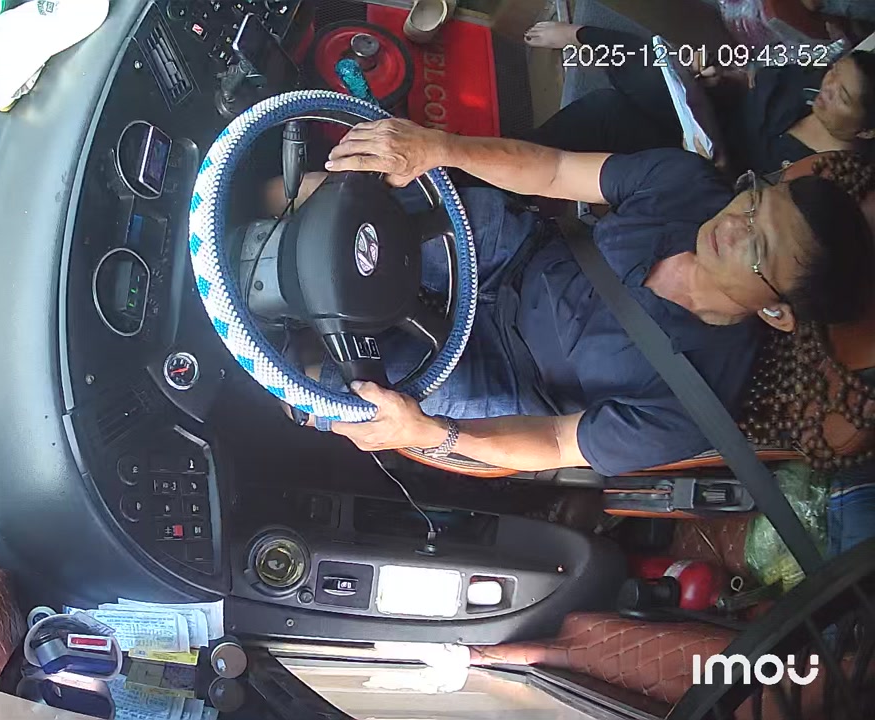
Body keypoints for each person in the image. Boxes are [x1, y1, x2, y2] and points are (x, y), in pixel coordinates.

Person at [295, 119, 873, 476]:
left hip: (504, 372)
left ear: (776, 311)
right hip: (513, 252)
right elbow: (556, 170)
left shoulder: (696, 406)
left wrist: (427, 435)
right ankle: (256, 198)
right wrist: (440, 147)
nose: (734, 224)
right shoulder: (686, 185)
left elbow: (554, 442)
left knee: (333, 393)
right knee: (342, 205)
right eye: (755, 203)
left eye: (759, 247)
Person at [522, 22, 875, 177]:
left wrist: (720, 168)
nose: (827, 88)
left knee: (607, 109)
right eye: (834, 72)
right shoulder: (811, 86)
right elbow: (750, 83)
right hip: (706, 116)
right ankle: (582, 36)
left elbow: (745, 218)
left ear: (866, 131)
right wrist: (721, 80)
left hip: (702, 175)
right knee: (659, 71)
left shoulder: (830, 176)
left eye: (841, 96)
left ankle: (507, 182)